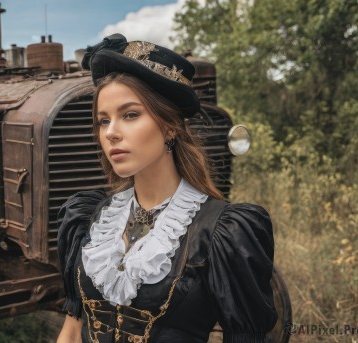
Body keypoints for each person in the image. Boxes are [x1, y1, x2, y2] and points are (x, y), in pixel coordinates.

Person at [56, 33, 278, 343]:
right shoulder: (88, 218)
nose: (112, 133)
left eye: (130, 115)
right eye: (103, 121)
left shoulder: (221, 232)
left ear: (170, 125)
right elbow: (70, 334)